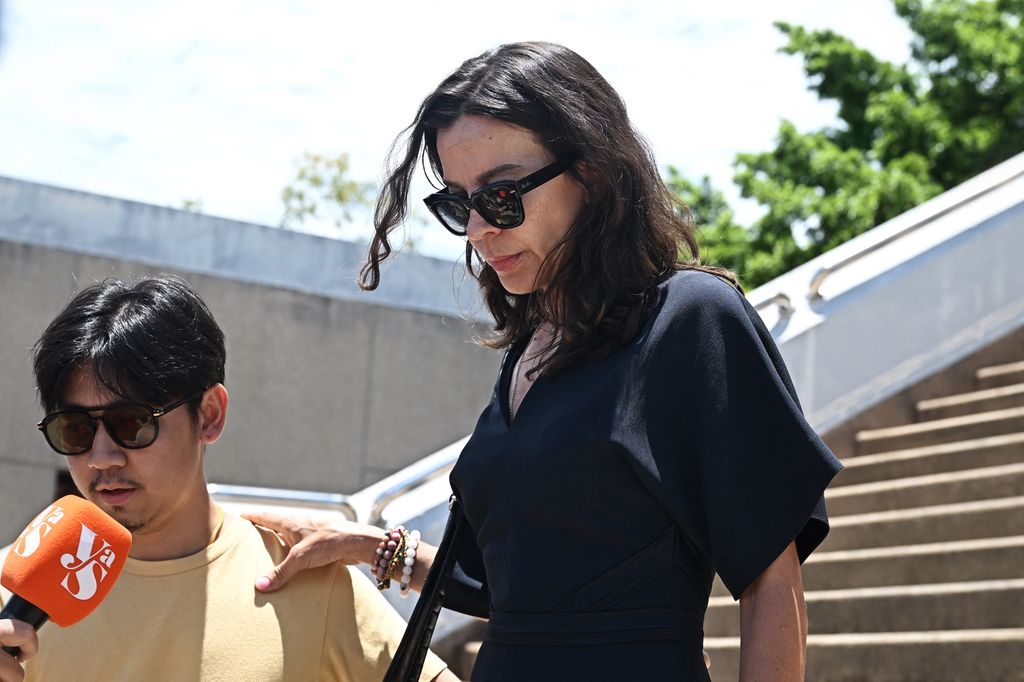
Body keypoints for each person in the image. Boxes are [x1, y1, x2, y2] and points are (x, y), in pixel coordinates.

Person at [248, 41, 843, 681]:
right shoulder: (533, 348)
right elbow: (511, 588)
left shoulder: (690, 319)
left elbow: (770, 584)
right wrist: (365, 545)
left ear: (590, 171)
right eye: (457, 204)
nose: (478, 229)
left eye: (502, 197)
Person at [0, 276, 456, 682]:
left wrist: (384, 553)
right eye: (75, 429)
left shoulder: (306, 582)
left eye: (132, 422)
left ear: (210, 415)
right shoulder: (13, 599)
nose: (101, 457)